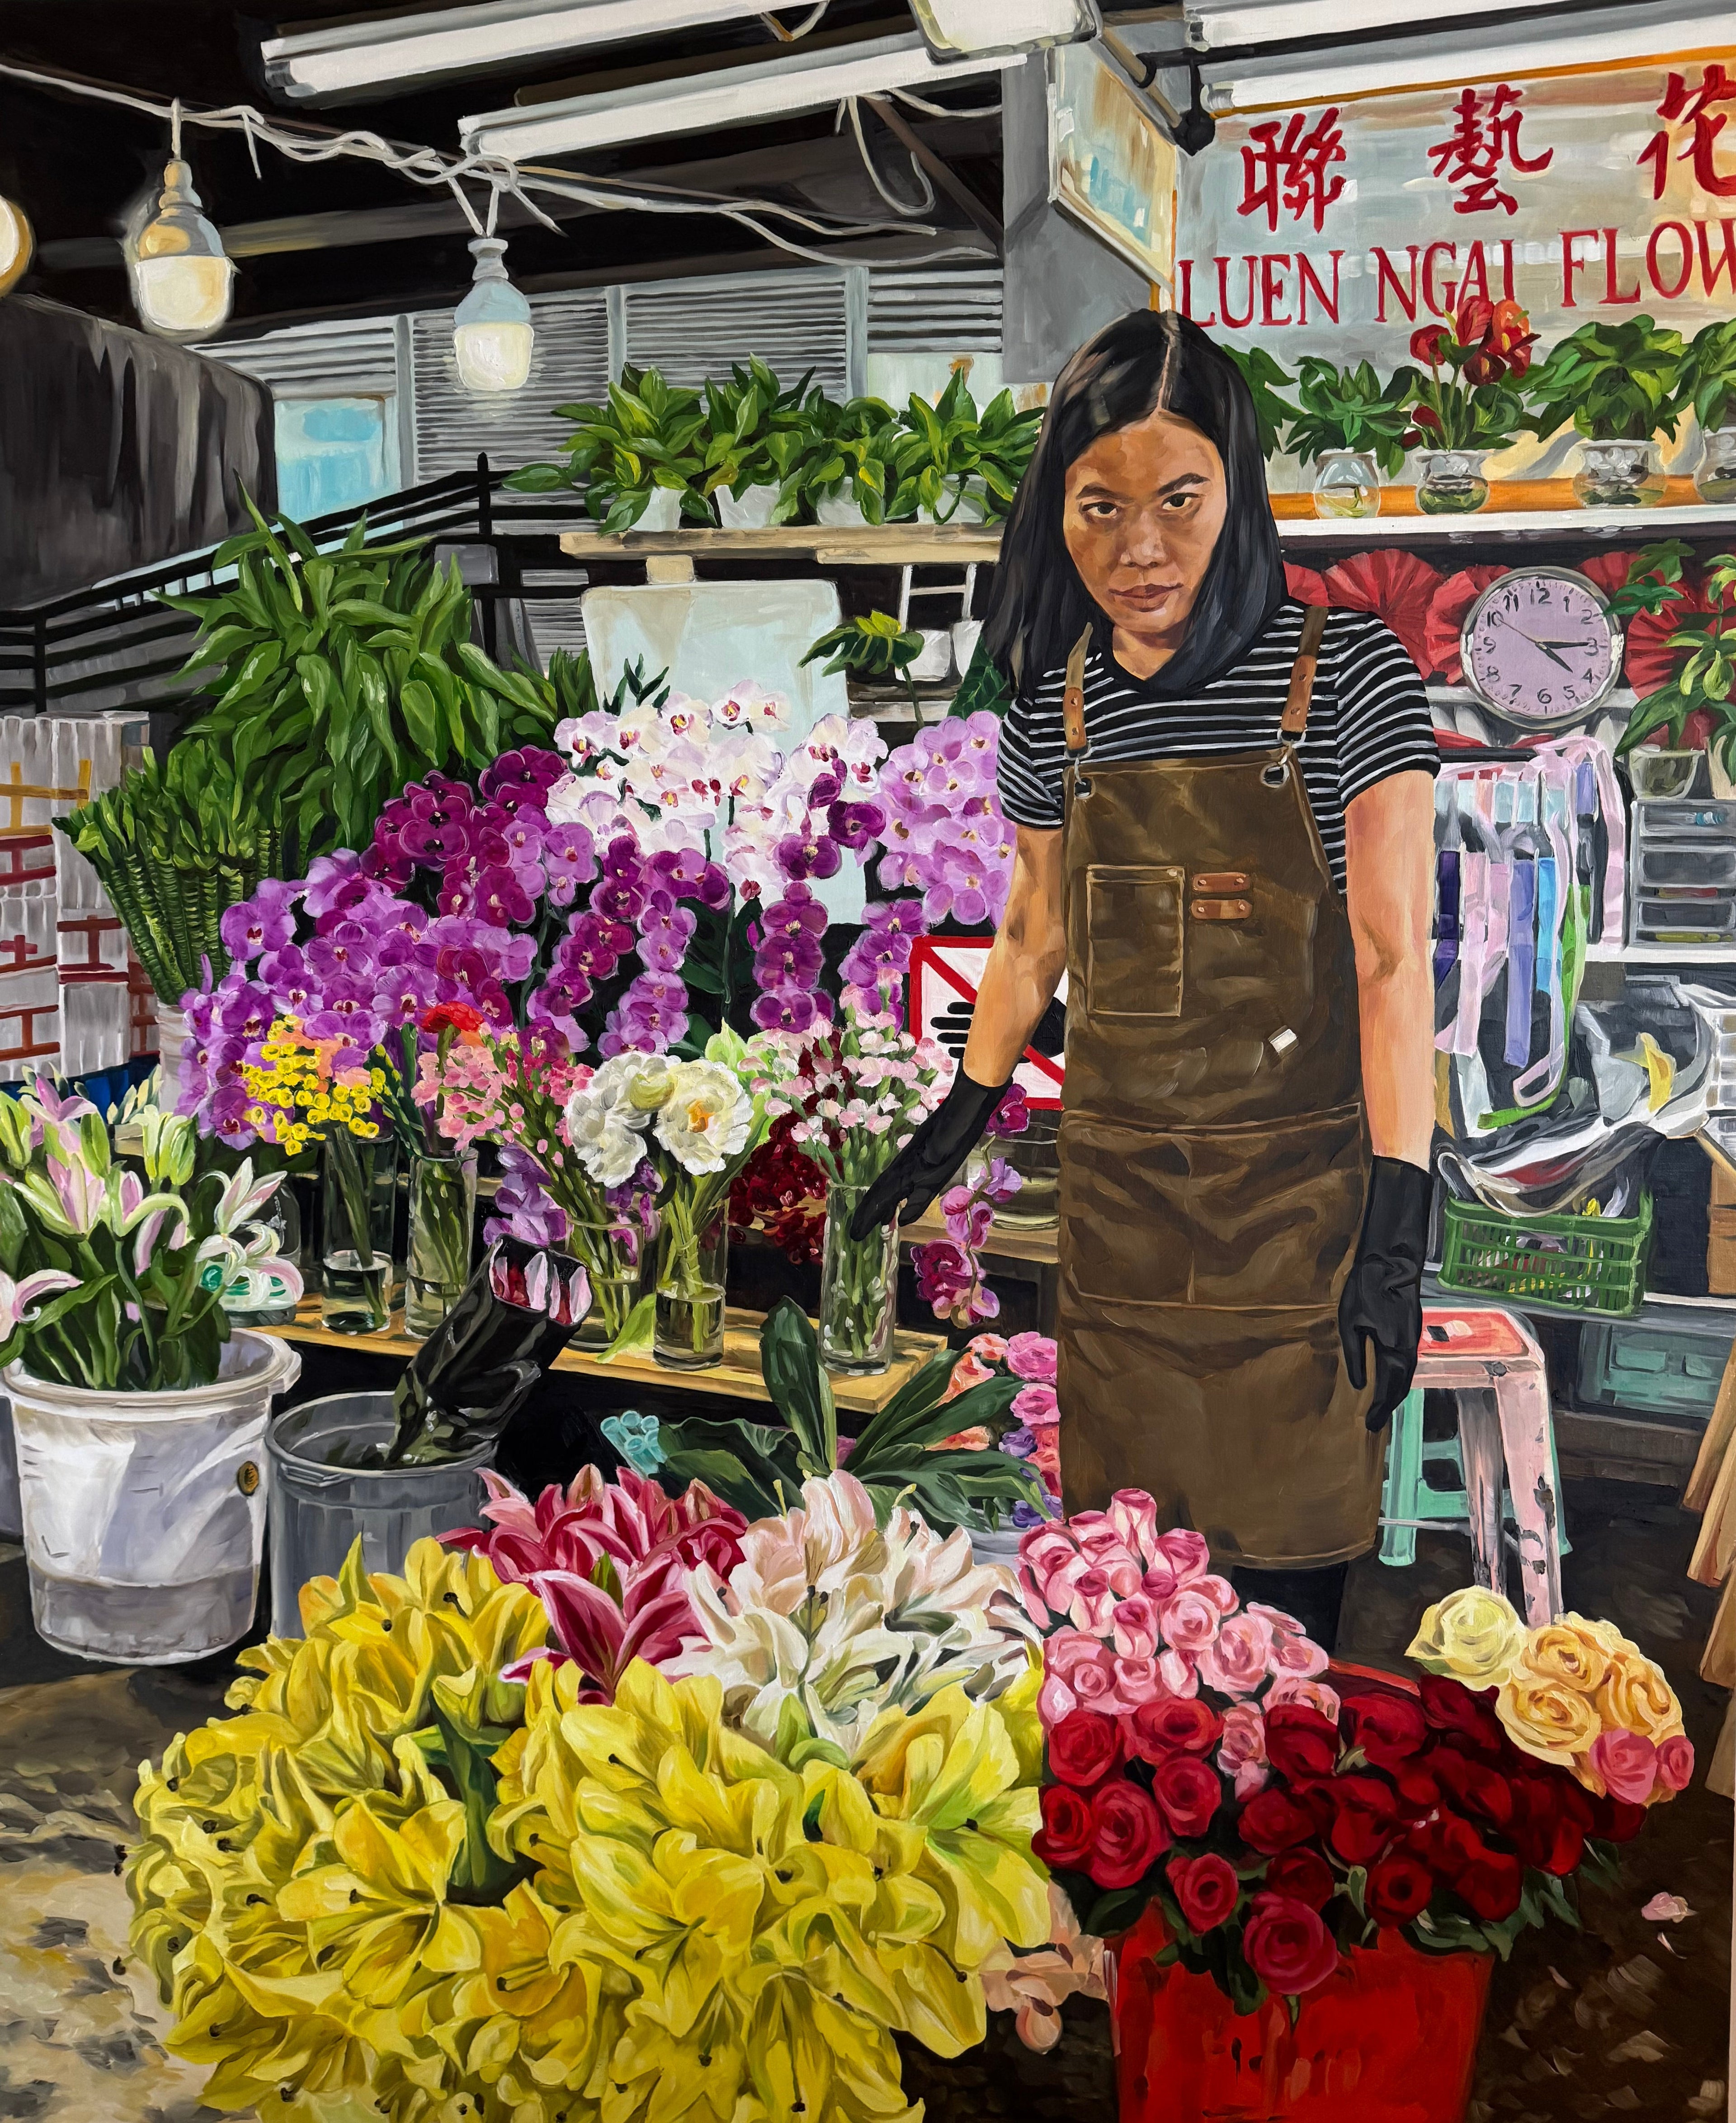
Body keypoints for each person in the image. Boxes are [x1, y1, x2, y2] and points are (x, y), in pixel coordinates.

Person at [854, 310, 1438, 1651]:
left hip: (1298, 1220)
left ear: (1237, 492)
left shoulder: (1350, 677)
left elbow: (1393, 961)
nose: (1140, 550)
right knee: (1128, 1600)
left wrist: (1399, 1225)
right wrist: (960, 1114)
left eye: (1180, 501)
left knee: (1283, 1624)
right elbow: (1032, 938)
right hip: (1123, 1213)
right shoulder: (1055, 707)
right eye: (1099, 508)